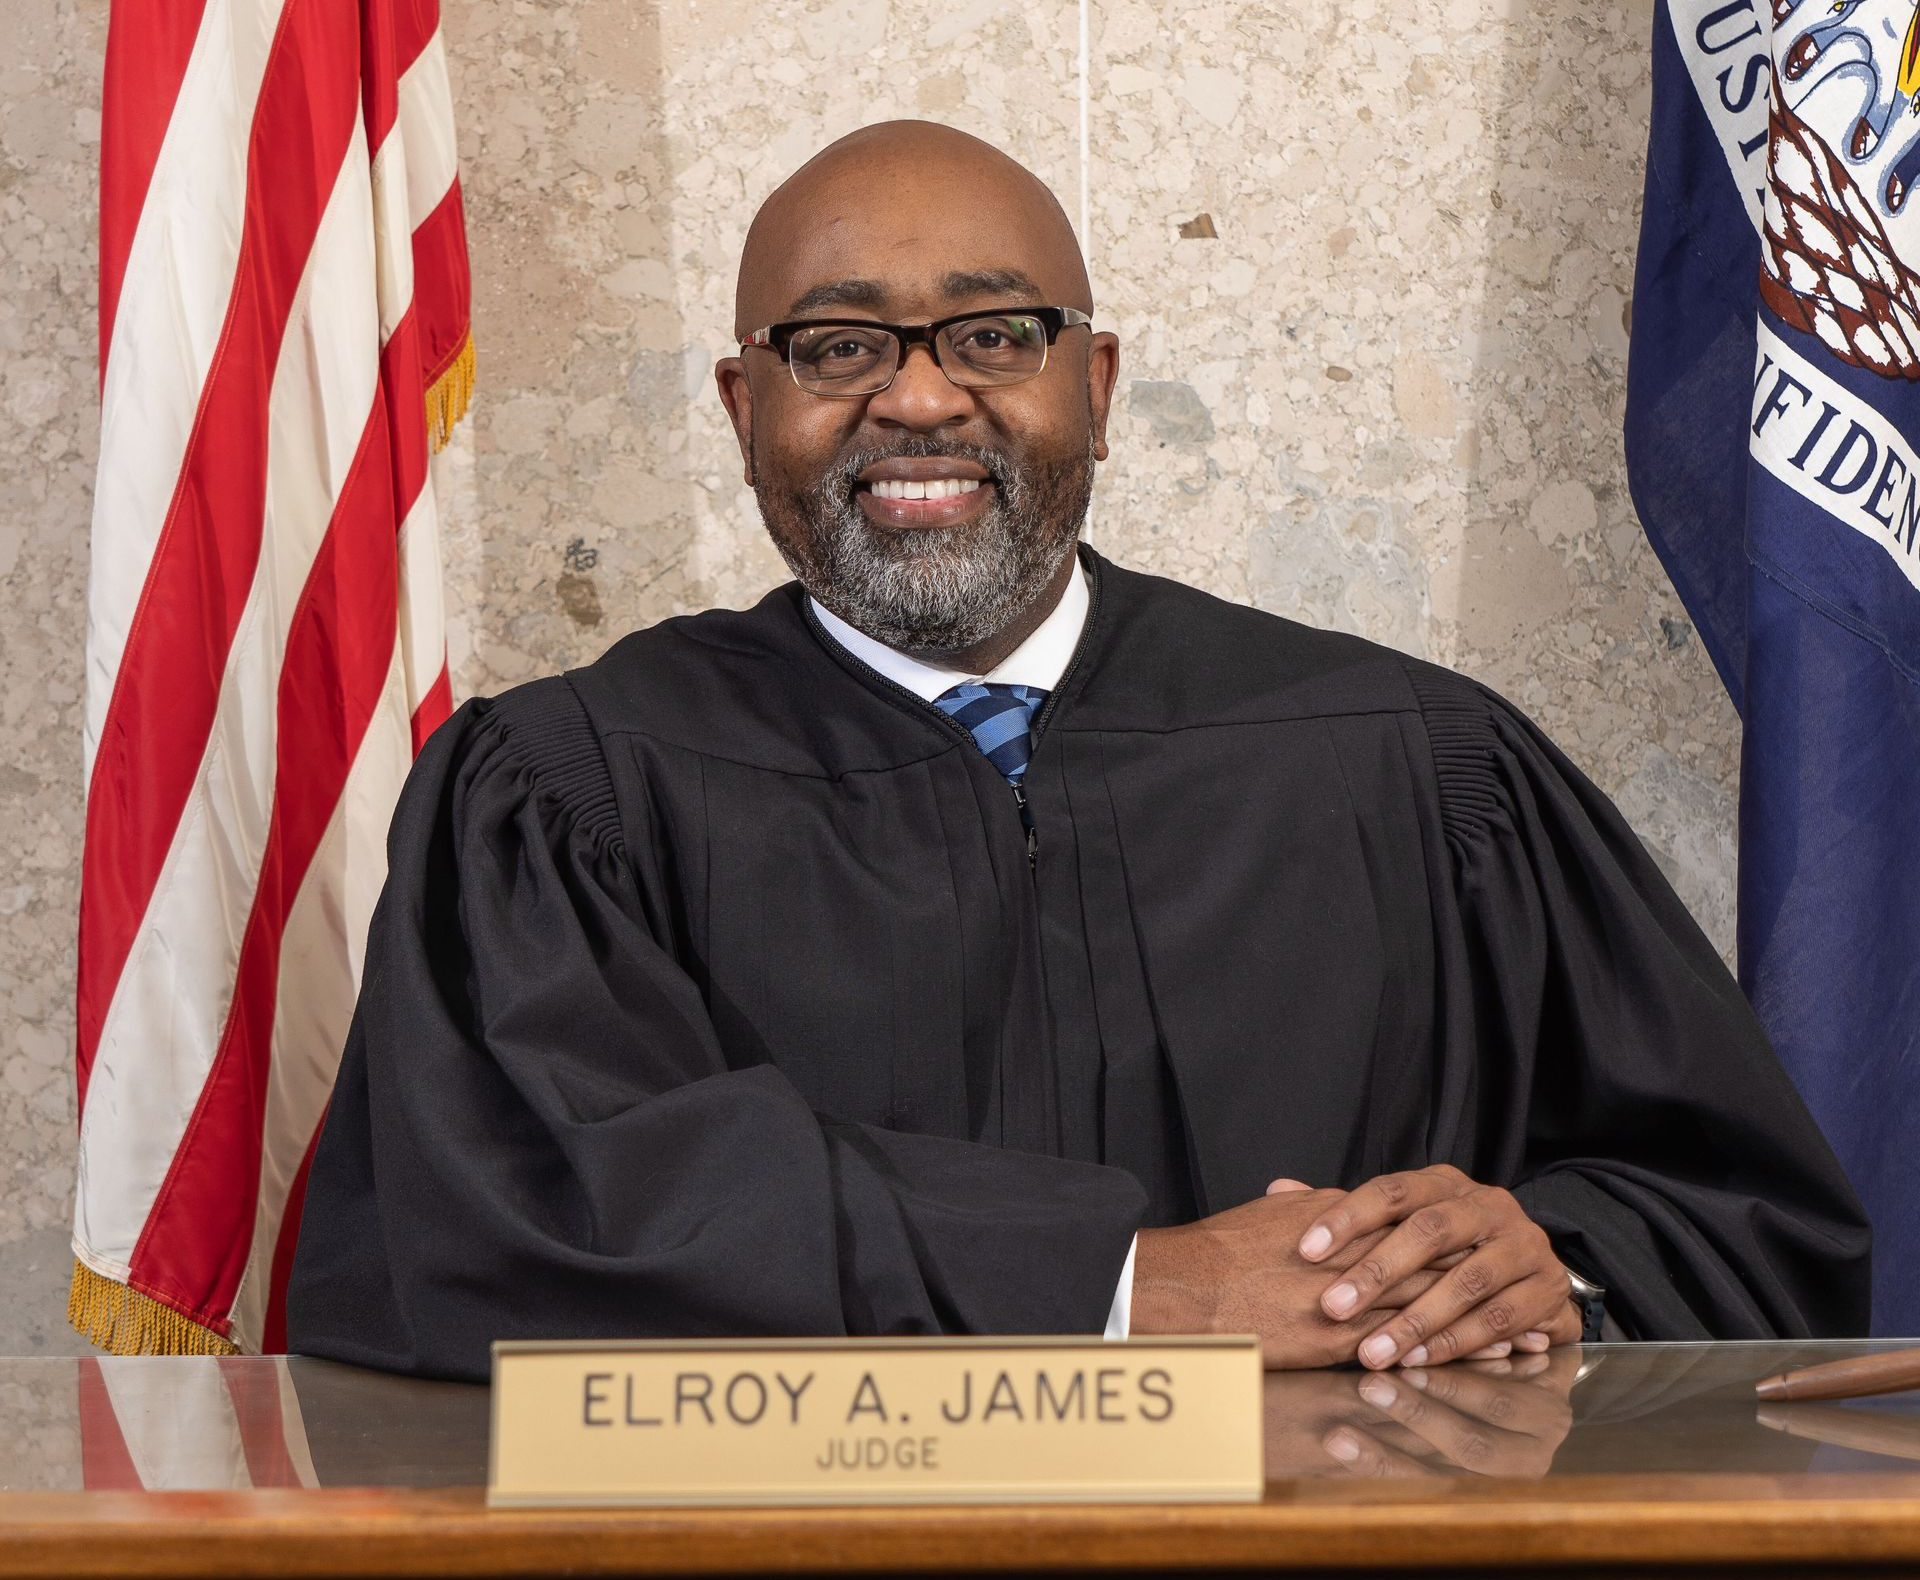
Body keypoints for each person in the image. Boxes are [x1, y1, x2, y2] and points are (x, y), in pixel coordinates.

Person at [287, 122, 1870, 1382]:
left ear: (1095, 389)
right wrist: (1130, 1286)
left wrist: (1545, 1262)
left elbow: (1747, 1219)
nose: (917, 395)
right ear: (740, 403)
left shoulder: (1412, 765)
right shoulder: (570, 795)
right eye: (836, 347)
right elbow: (506, 1224)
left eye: (994, 334)